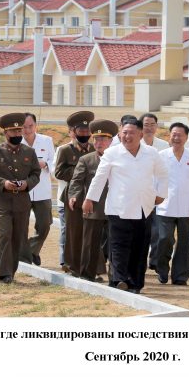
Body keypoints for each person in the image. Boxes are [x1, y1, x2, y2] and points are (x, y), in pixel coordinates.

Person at [83, 119, 168, 294]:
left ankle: (135, 283)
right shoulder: (112, 153)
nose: (127, 136)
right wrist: (90, 199)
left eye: (131, 133)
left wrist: (161, 194)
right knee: (118, 246)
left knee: (140, 247)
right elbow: (100, 178)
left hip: (144, 207)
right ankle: (119, 280)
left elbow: (163, 175)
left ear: (140, 134)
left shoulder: (151, 153)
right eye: (124, 133)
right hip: (118, 208)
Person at [0, 113, 41, 284]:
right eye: (13, 131)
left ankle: (11, 271)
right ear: (5, 132)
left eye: (19, 130)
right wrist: (4, 183)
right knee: (5, 234)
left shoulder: (29, 152)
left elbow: (36, 173)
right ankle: (4, 273)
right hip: (2, 201)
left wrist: (26, 184)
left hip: (22, 202)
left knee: (17, 238)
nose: (17, 134)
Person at [155, 122, 189, 285]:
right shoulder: (161, 155)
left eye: (180, 135)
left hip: (187, 207)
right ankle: (162, 268)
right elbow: (154, 178)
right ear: (169, 136)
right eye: (174, 134)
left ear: (186, 137)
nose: (176, 138)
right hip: (165, 206)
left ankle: (179, 275)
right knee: (164, 239)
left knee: (184, 242)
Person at [68, 119, 118, 282]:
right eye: (96, 139)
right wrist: (73, 196)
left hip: (116, 208)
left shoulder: (120, 158)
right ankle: (87, 275)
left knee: (115, 244)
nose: (98, 143)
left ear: (110, 141)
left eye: (102, 139)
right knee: (90, 243)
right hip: (93, 208)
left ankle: (115, 277)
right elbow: (76, 181)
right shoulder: (87, 160)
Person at [55, 110, 95, 276]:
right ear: (74, 131)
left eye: (87, 131)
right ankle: (72, 265)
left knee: (91, 233)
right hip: (72, 195)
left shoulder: (95, 148)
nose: (84, 134)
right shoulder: (66, 150)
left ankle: (90, 267)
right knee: (73, 232)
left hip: (92, 195)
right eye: (81, 131)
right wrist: (79, 172)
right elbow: (59, 172)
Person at [18, 112, 55, 267]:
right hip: (22, 191)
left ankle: (32, 250)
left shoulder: (46, 141)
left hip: (42, 191)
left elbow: (53, 161)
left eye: (30, 126)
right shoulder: (16, 143)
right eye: (24, 127)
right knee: (21, 226)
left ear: (35, 125)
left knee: (45, 225)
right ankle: (25, 259)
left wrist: (45, 164)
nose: (27, 130)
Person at [139, 113, 169, 271]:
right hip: (140, 195)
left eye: (152, 124)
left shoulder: (164, 145)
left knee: (158, 232)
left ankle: (155, 260)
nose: (149, 128)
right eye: (146, 124)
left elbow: (165, 172)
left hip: (158, 196)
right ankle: (140, 261)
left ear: (157, 126)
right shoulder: (135, 144)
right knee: (141, 232)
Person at [54, 127, 76, 269]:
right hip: (65, 197)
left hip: (86, 198)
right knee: (66, 230)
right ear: (70, 132)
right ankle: (64, 260)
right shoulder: (63, 149)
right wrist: (79, 172)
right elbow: (56, 172)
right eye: (76, 130)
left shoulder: (92, 149)